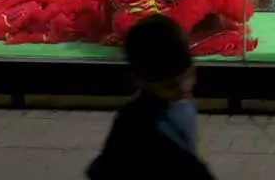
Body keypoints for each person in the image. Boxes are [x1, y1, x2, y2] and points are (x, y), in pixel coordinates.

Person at [87, 14, 216, 180]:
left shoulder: (178, 102)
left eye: (188, 76)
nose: (184, 90)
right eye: (170, 86)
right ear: (140, 81)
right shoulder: (135, 126)